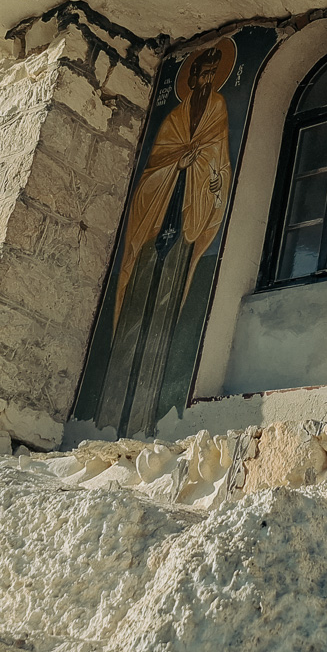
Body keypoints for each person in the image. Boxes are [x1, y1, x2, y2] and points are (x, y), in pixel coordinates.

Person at [100, 45, 232, 434]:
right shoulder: (173, 118)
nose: (207, 82)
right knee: (137, 304)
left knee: (167, 311)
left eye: (212, 75)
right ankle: (109, 417)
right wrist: (177, 164)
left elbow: (220, 163)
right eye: (202, 74)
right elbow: (151, 172)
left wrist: (212, 181)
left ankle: (145, 420)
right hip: (155, 226)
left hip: (187, 227)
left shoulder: (218, 111)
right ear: (191, 78)